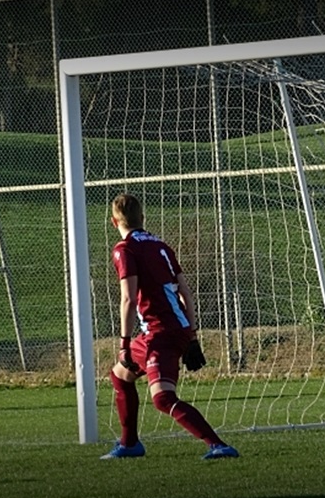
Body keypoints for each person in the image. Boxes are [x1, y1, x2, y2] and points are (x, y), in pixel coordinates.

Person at [101, 192, 239, 460]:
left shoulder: (124, 249)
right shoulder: (161, 246)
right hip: (171, 328)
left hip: (160, 332)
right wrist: (192, 334)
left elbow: (128, 298)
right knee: (120, 376)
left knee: (162, 398)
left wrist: (123, 343)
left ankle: (218, 445)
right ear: (142, 218)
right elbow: (185, 292)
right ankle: (129, 444)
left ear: (113, 222)